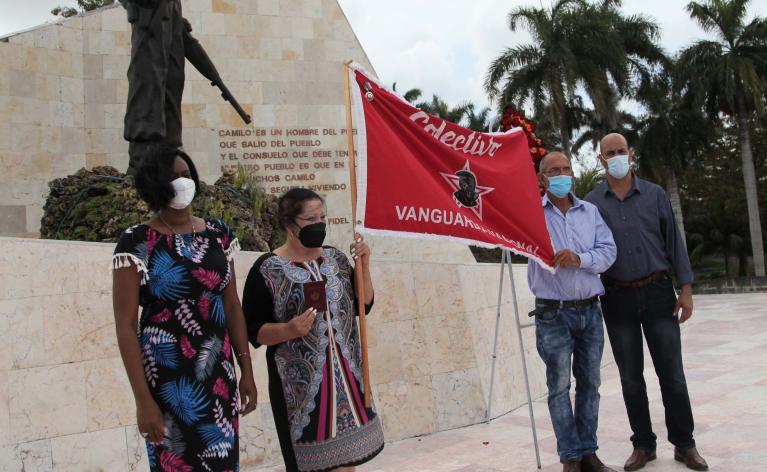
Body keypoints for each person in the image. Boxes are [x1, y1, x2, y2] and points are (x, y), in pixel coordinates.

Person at [112, 144, 257, 471]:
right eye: (173, 177)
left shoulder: (219, 233)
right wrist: (142, 401)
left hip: (217, 375)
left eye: (186, 175)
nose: (182, 182)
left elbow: (231, 304)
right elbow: (125, 325)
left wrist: (246, 370)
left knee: (221, 462)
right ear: (154, 184)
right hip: (166, 381)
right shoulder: (136, 241)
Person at [585, 133, 708, 471]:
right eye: (609, 153)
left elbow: (674, 242)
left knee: (673, 374)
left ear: (631, 154)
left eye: (621, 151)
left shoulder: (654, 195)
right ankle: (643, 445)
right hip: (617, 296)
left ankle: (685, 444)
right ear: (601, 160)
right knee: (629, 377)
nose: (616, 157)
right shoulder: (592, 203)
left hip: (657, 293)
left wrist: (685, 289)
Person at [242, 188, 384, 472]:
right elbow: (253, 330)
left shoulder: (337, 260)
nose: (320, 224)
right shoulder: (268, 269)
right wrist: (289, 329)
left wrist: (364, 266)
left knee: (347, 463)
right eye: (311, 218)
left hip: (347, 381)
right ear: (289, 224)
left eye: (322, 217)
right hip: (301, 390)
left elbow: (363, 305)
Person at [528, 152, 618, 472]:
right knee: (559, 387)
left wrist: (580, 259)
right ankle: (571, 457)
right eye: (554, 170)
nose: (562, 174)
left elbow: (608, 252)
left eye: (566, 169)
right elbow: (517, 245)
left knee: (590, 384)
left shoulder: (590, 212)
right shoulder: (530, 214)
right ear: (542, 178)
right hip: (553, 314)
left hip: (590, 312)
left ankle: (589, 453)